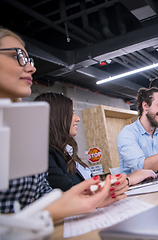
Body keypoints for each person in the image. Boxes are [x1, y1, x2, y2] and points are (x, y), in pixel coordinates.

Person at [0, 28, 116, 220]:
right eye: (17, 56)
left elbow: (41, 195)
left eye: (29, 60)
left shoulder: (21, 133)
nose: (31, 68)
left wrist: (87, 199)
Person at [33, 93, 156, 193]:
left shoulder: (65, 152)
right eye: (72, 113)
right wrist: (127, 180)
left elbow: (90, 185)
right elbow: (76, 192)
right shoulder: (46, 155)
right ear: (56, 117)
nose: (77, 118)